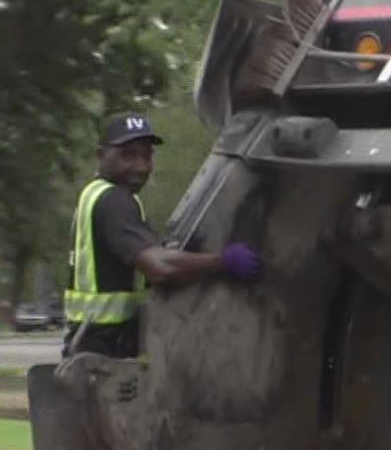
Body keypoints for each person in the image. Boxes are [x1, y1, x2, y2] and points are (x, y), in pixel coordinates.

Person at [62, 112, 263, 359]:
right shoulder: (114, 200)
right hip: (102, 353)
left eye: (147, 156)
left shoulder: (94, 195)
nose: (141, 166)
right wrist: (223, 261)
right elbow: (159, 268)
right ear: (101, 155)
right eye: (128, 155)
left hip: (91, 344)